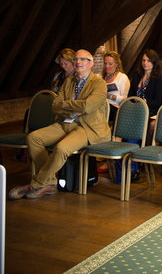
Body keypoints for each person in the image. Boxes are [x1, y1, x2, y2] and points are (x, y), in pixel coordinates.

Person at [9, 50, 111, 200]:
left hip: (87, 127)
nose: (78, 62)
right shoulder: (69, 81)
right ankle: (49, 182)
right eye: (76, 59)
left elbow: (88, 106)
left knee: (61, 148)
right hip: (65, 122)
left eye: (82, 59)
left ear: (91, 63)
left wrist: (67, 104)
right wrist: (73, 107)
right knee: (33, 138)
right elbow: (55, 106)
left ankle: (36, 184)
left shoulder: (99, 83)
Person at [128, 49, 162, 118]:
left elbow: (157, 102)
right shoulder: (137, 75)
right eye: (143, 60)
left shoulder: (158, 78)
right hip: (134, 108)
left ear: (154, 62)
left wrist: (143, 103)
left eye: (148, 61)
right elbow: (130, 96)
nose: (145, 63)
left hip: (149, 110)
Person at [101, 50, 130, 122]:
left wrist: (109, 96)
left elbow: (124, 99)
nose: (107, 66)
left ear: (117, 64)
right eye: (105, 63)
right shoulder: (99, 77)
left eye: (110, 64)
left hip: (115, 108)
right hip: (100, 105)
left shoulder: (122, 77)